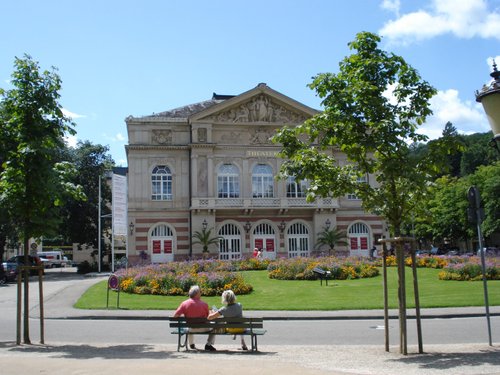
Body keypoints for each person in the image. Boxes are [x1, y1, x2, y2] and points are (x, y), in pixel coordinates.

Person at [173, 285, 217, 351]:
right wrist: (212, 312)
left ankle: (191, 344)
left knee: (189, 325)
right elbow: (209, 317)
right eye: (200, 292)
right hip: (203, 328)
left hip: (191, 329)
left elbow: (175, 316)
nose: (201, 293)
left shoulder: (184, 304)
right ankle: (208, 344)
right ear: (196, 294)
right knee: (215, 326)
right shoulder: (204, 304)